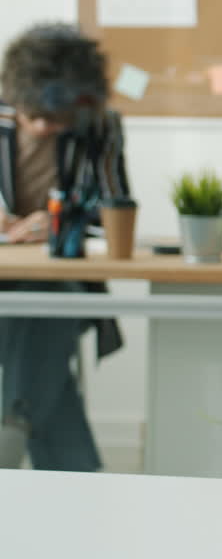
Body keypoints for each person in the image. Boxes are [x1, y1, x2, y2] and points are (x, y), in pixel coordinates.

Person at [0, 23, 129, 472]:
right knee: (43, 338)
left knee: (46, 307)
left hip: (63, 278)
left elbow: (114, 208)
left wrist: (61, 220)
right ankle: (79, 482)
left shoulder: (100, 125)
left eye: (54, 120)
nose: (39, 127)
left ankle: (8, 441)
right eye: (29, 114)